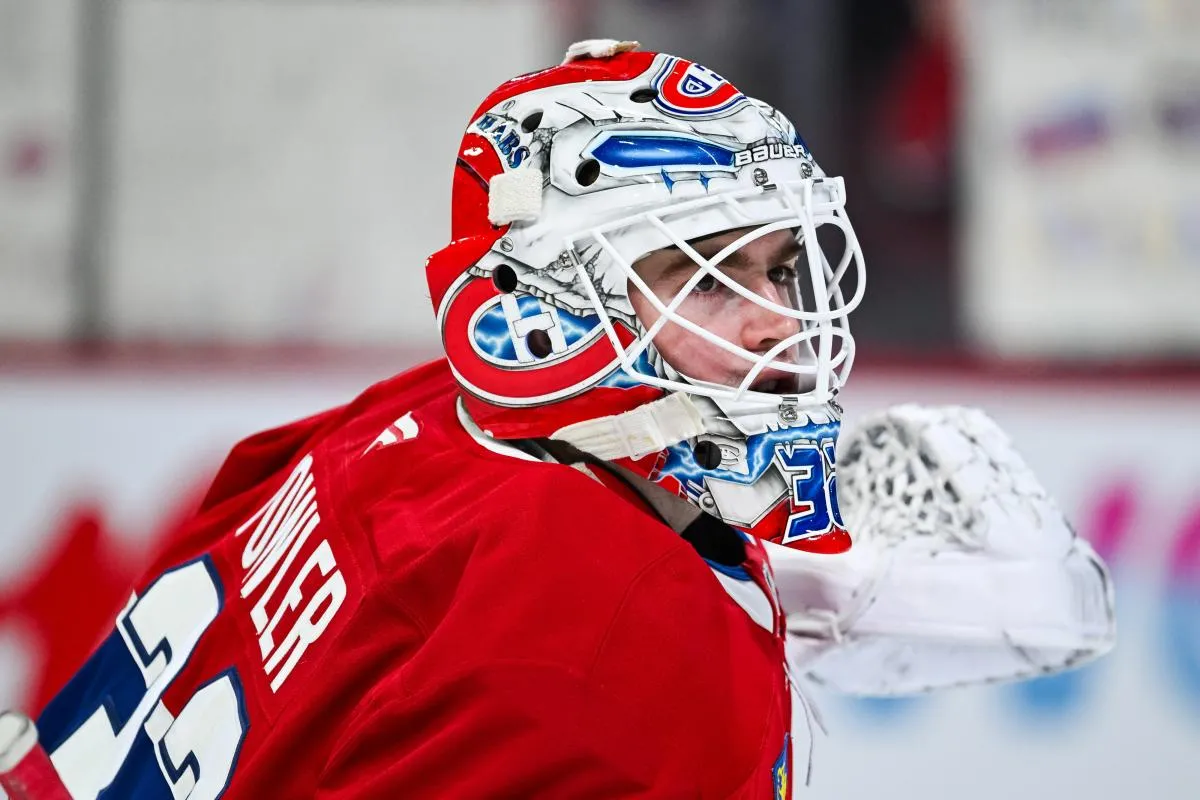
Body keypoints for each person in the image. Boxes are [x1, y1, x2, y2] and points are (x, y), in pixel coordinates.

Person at [27, 40, 1113, 799]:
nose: (784, 324)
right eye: (710, 277)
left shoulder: (394, 425)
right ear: (547, 310)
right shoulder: (641, 641)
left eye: (784, 266)